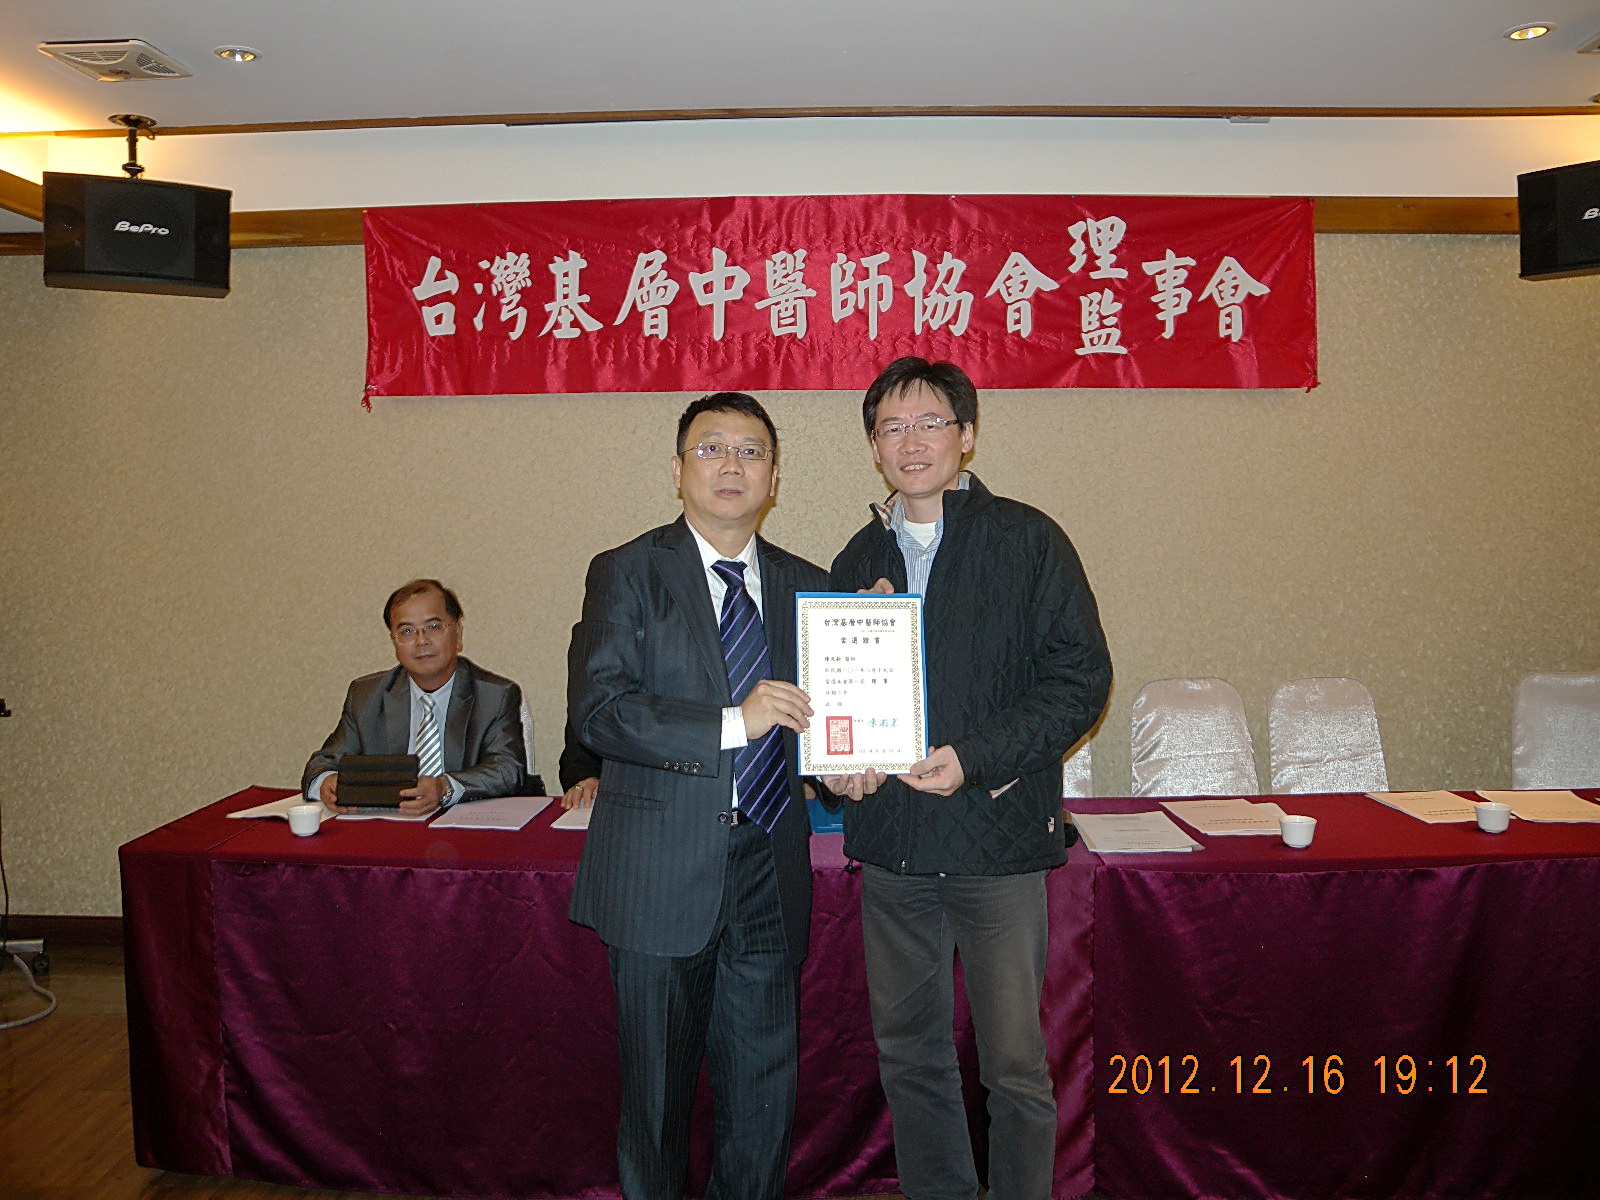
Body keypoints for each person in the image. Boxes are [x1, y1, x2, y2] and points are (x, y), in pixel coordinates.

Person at [825, 357, 1112, 1200]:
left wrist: (975, 758)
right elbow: (837, 698)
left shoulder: (1027, 539)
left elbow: (1079, 680)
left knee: (1015, 1066)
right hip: (894, 850)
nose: (911, 442)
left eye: (930, 423)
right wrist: (839, 769)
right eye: (892, 428)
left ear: (967, 436)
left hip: (996, 842)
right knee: (910, 1057)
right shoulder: (856, 557)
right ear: (874, 448)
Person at [568, 392, 828, 1200]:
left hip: (769, 870)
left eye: (751, 451)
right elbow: (601, 712)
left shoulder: (810, 585)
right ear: (677, 470)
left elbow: (823, 724)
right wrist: (732, 722)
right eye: (710, 448)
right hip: (659, 871)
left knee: (763, 1099)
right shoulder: (627, 571)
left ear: (774, 477)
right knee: (656, 1102)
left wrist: (849, 762)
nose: (730, 465)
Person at [303, 578, 530, 816]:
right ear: (394, 641)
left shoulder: (495, 695)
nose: (421, 641)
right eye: (407, 631)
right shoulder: (366, 696)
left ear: (458, 633)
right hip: (390, 826)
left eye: (434, 627)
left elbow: (507, 769)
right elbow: (323, 762)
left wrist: (443, 788)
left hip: (464, 825)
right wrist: (326, 782)